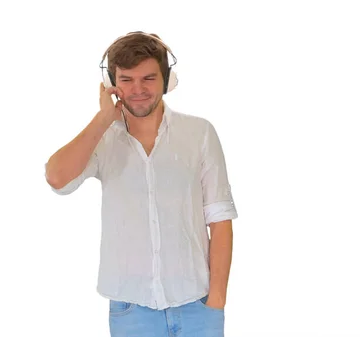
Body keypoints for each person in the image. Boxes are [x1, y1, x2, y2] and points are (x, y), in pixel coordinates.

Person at [44, 31, 238, 337]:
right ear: (111, 82)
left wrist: (216, 300)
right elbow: (57, 178)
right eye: (126, 79)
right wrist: (102, 118)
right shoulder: (102, 138)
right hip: (131, 309)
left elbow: (220, 218)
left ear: (167, 79)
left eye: (148, 78)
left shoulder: (199, 133)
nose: (137, 89)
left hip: (198, 304)